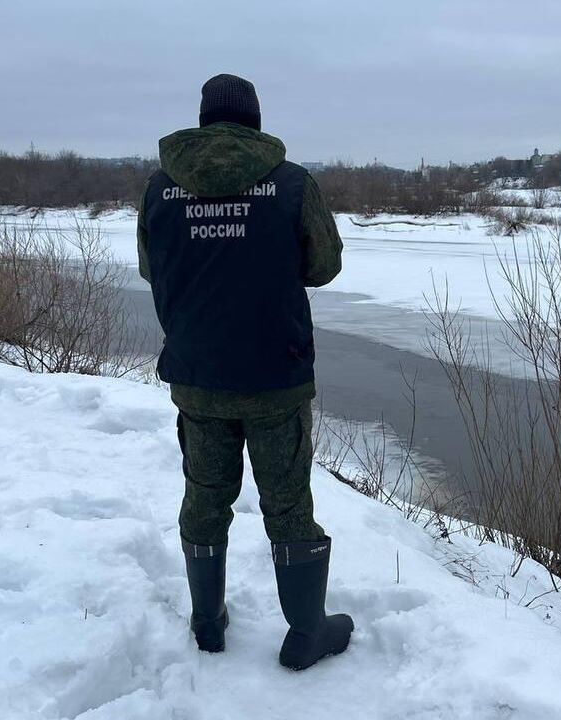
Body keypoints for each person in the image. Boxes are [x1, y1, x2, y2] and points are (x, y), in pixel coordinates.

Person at [136, 73, 350, 670]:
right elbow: (325, 264)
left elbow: (155, 270)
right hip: (275, 377)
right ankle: (307, 632)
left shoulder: (160, 188)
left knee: (205, 497)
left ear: (204, 120)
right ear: (253, 121)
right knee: (287, 503)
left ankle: (208, 623)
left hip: (198, 375)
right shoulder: (291, 185)